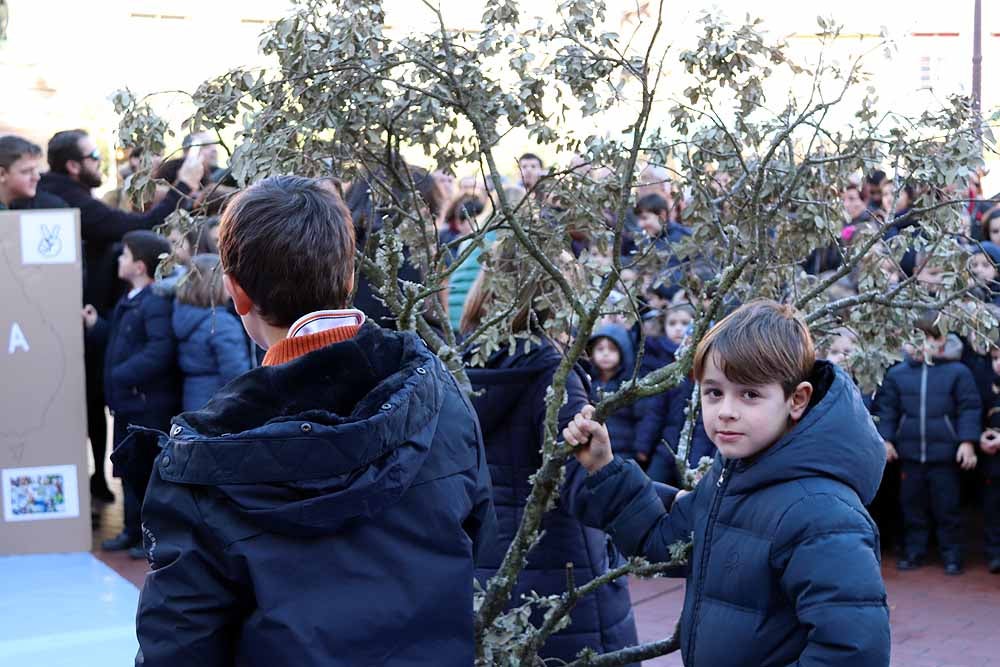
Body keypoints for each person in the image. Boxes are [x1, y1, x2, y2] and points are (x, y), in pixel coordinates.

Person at [111, 175, 494, 665]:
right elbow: (480, 540)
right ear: (350, 275)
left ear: (236, 294)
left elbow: (178, 647)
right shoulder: (438, 396)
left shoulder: (199, 461)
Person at [563, 300, 890, 667]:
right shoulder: (730, 478)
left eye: (750, 394)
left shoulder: (822, 515)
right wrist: (603, 465)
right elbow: (662, 541)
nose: (726, 411)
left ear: (797, 400)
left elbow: (852, 652)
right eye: (714, 392)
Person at [462, 268, 638, 665]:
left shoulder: (461, 369)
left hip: (484, 575)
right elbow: (587, 479)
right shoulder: (556, 379)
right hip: (561, 580)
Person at [83, 230, 178, 558]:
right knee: (127, 468)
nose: (118, 261)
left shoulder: (154, 302)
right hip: (128, 403)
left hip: (144, 403)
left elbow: (159, 350)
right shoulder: (131, 299)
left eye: (124, 256)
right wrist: (98, 326)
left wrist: (120, 375)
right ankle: (129, 530)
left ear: (139, 266)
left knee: (144, 471)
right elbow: (120, 341)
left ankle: (146, 537)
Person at [876, 316, 981, 574]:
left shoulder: (958, 372)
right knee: (912, 507)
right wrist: (886, 439)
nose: (921, 345)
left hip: (944, 455)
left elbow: (970, 408)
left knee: (948, 508)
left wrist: (967, 442)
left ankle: (952, 555)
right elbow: (887, 410)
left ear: (942, 340)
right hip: (909, 454)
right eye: (915, 339)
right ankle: (914, 552)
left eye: (928, 338)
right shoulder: (897, 373)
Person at [172, 254, 251, 411]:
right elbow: (236, 374)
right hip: (219, 404)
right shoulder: (221, 323)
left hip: (192, 397)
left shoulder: (181, 314)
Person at [588, 324, 645, 463]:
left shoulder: (631, 386)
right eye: (600, 349)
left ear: (623, 352)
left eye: (612, 349)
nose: (606, 353)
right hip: (595, 451)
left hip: (626, 452)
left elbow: (643, 417)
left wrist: (641, 448)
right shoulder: (589, 383)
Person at [979, 345, 1000, 574]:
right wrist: (981, 437)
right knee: (993, 509)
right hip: (994, 463)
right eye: (995, 358)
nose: (998, 363)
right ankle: (995, 554)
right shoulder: (989, 387)